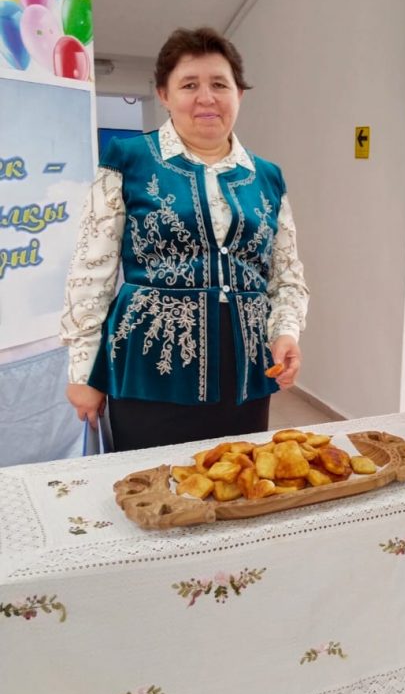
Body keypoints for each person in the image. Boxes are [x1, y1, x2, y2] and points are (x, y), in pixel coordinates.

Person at [61, 27, 308, 451]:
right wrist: (83, 372)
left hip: (245, 370)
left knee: (237, 477)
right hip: (149, 363)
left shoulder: (267, 177)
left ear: (239, 94)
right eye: (189, 85)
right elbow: (91, 270)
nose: (206, 98)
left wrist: (285, 333)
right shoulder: (129, 159)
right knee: (150, 479)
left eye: (219, 85)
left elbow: (286, 277)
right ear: (164, 94)